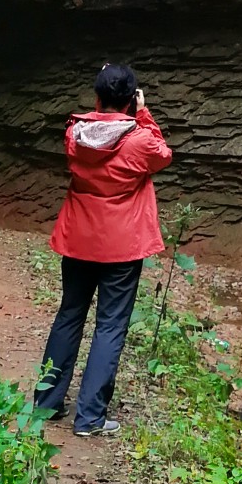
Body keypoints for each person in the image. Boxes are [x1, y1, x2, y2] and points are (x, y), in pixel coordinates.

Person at [34, 62, 172, 436]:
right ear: (131, 100)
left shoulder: (74, 134)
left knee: (69, 315)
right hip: (122, 248)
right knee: (109, 326)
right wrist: (143, 115)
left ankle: (46, 404)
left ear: (96, 98)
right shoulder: (141, 140)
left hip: (79, 239)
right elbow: (163, 154)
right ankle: (90, 417)